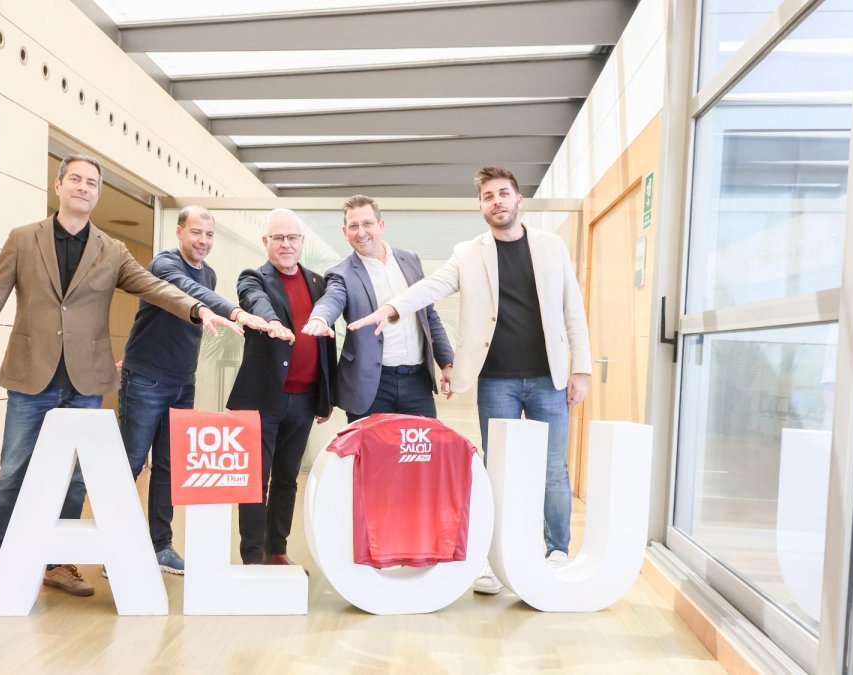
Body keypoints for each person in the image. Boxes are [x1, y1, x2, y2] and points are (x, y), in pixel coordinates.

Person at [0, 154, 240, 596]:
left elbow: (155, 287)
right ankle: (1, 554)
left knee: (76, 475)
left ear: (97, 193)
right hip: (30, 376)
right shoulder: (23, 240)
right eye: (75, 179)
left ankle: (57, 561)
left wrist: (198, 309)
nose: (83, 187)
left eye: (91, 182)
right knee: (14, 472)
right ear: (58, 186)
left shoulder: (112, 250)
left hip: (85, 382)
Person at [348, 166, 592, 594]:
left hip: (548, 377)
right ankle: (492, 557)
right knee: (494, 470)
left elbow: (573, 308)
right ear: (480, 207)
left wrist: (582, 368)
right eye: (487, 196)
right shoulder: (469, 253)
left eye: (503, 194)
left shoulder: (553, 247)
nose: (496, 201)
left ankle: (556, 551)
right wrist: (390, 309)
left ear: (519, 200)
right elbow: (428, 288)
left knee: (554, 468)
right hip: (496, 380)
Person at [118, 206, 279, 575]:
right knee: (129, 463)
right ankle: (119, 548)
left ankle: (160, 546)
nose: (203, 241)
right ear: (179, 233)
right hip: (145, 380)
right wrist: (238, 313)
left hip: (181, 382)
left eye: (209, 235)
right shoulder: (164, 265)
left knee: (169, 469)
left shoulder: (209, 272)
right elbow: (190, 294)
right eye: (196, 233)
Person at [226, 209, 336, 568]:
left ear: (302, 242)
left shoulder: (319, 284)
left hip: (304, 401)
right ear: (266, 242)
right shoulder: (253, 278)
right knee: (255, 480)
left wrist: (326, 396)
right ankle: (253, 556)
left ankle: (277, 550)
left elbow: (325, 344)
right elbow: (253, 301)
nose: (286, 244)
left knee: (287, 478)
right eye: (278, 238)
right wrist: (271, 322)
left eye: (292, 238)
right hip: (263, 400)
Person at [301, 194, 454, 422]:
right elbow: (332, 299)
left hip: (417, 384)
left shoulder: (410, 261)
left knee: (419, 455)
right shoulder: (340, 273)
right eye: (353, 226)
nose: (361, 232)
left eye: (367, 224)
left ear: (381, 226)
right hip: (370, 386)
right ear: (345, 233)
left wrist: (447, 363)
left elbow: (429, 316)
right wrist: (320, 318)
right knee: (372, 456)